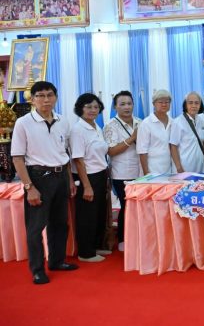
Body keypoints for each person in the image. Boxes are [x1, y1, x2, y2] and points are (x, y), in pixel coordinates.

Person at [11, 81, 78, 285]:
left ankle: (57, 261)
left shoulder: (63, 121)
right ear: (32, 99)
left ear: (56, 97)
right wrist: (29, 187)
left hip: (61, 176)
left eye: (50, 95)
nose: (46, 100)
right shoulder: (23, 123)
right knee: (35, 227)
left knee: (60, 223)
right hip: (38, 178)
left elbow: (65, 152)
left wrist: (69, 180)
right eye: (40, 96)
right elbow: (17, 158)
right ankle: (38, 270)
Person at [70, 93, 110, 263]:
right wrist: (86, 186)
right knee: (87, 215)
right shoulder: (78, 130)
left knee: (99, 213)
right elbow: (78, 160)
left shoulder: (96, 127)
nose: (93, 110)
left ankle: (96, 246)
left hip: (100, 174)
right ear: (80, 108)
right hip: (87, 177)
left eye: (96, 107)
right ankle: (85, 252)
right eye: (88, 107)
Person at [103, 91, 141, 252]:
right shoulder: (110, 126)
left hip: (140, 172)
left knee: (138, 207)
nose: (127, 107)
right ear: (115, 107)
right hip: (121, 173)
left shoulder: (140, 122)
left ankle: (137, 237)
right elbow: (111, 151)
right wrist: (132, 138)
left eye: (129, 103)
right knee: (126, 206)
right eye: (122, 104)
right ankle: (123, 239)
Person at [170, 92, 204, 173]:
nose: (194, 106)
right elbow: (173, 146)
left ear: (200, 105)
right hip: (184, 167)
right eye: (190, 103)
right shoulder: (178, 122)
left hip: (201, 165)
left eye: (196, 103)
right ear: (185, 105)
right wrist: (179, 167)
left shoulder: (201, 121)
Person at [137, 90, 174, 175]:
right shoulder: (146, 123)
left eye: (167, 102)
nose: (164, 104)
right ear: (154, 104)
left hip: (169, 169)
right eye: (160, 102)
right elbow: (142, 151)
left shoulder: (173, 122)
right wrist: (146, 173)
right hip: (152, 170)